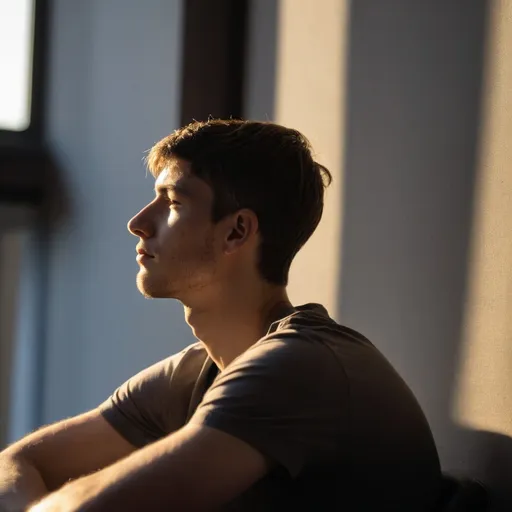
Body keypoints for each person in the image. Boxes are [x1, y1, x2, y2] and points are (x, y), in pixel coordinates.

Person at [0, 120, 441, 511]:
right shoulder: (194, 374)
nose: (138, 222)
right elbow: (18, 461)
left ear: (236, 231)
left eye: (172, 203)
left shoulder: (298, 367)